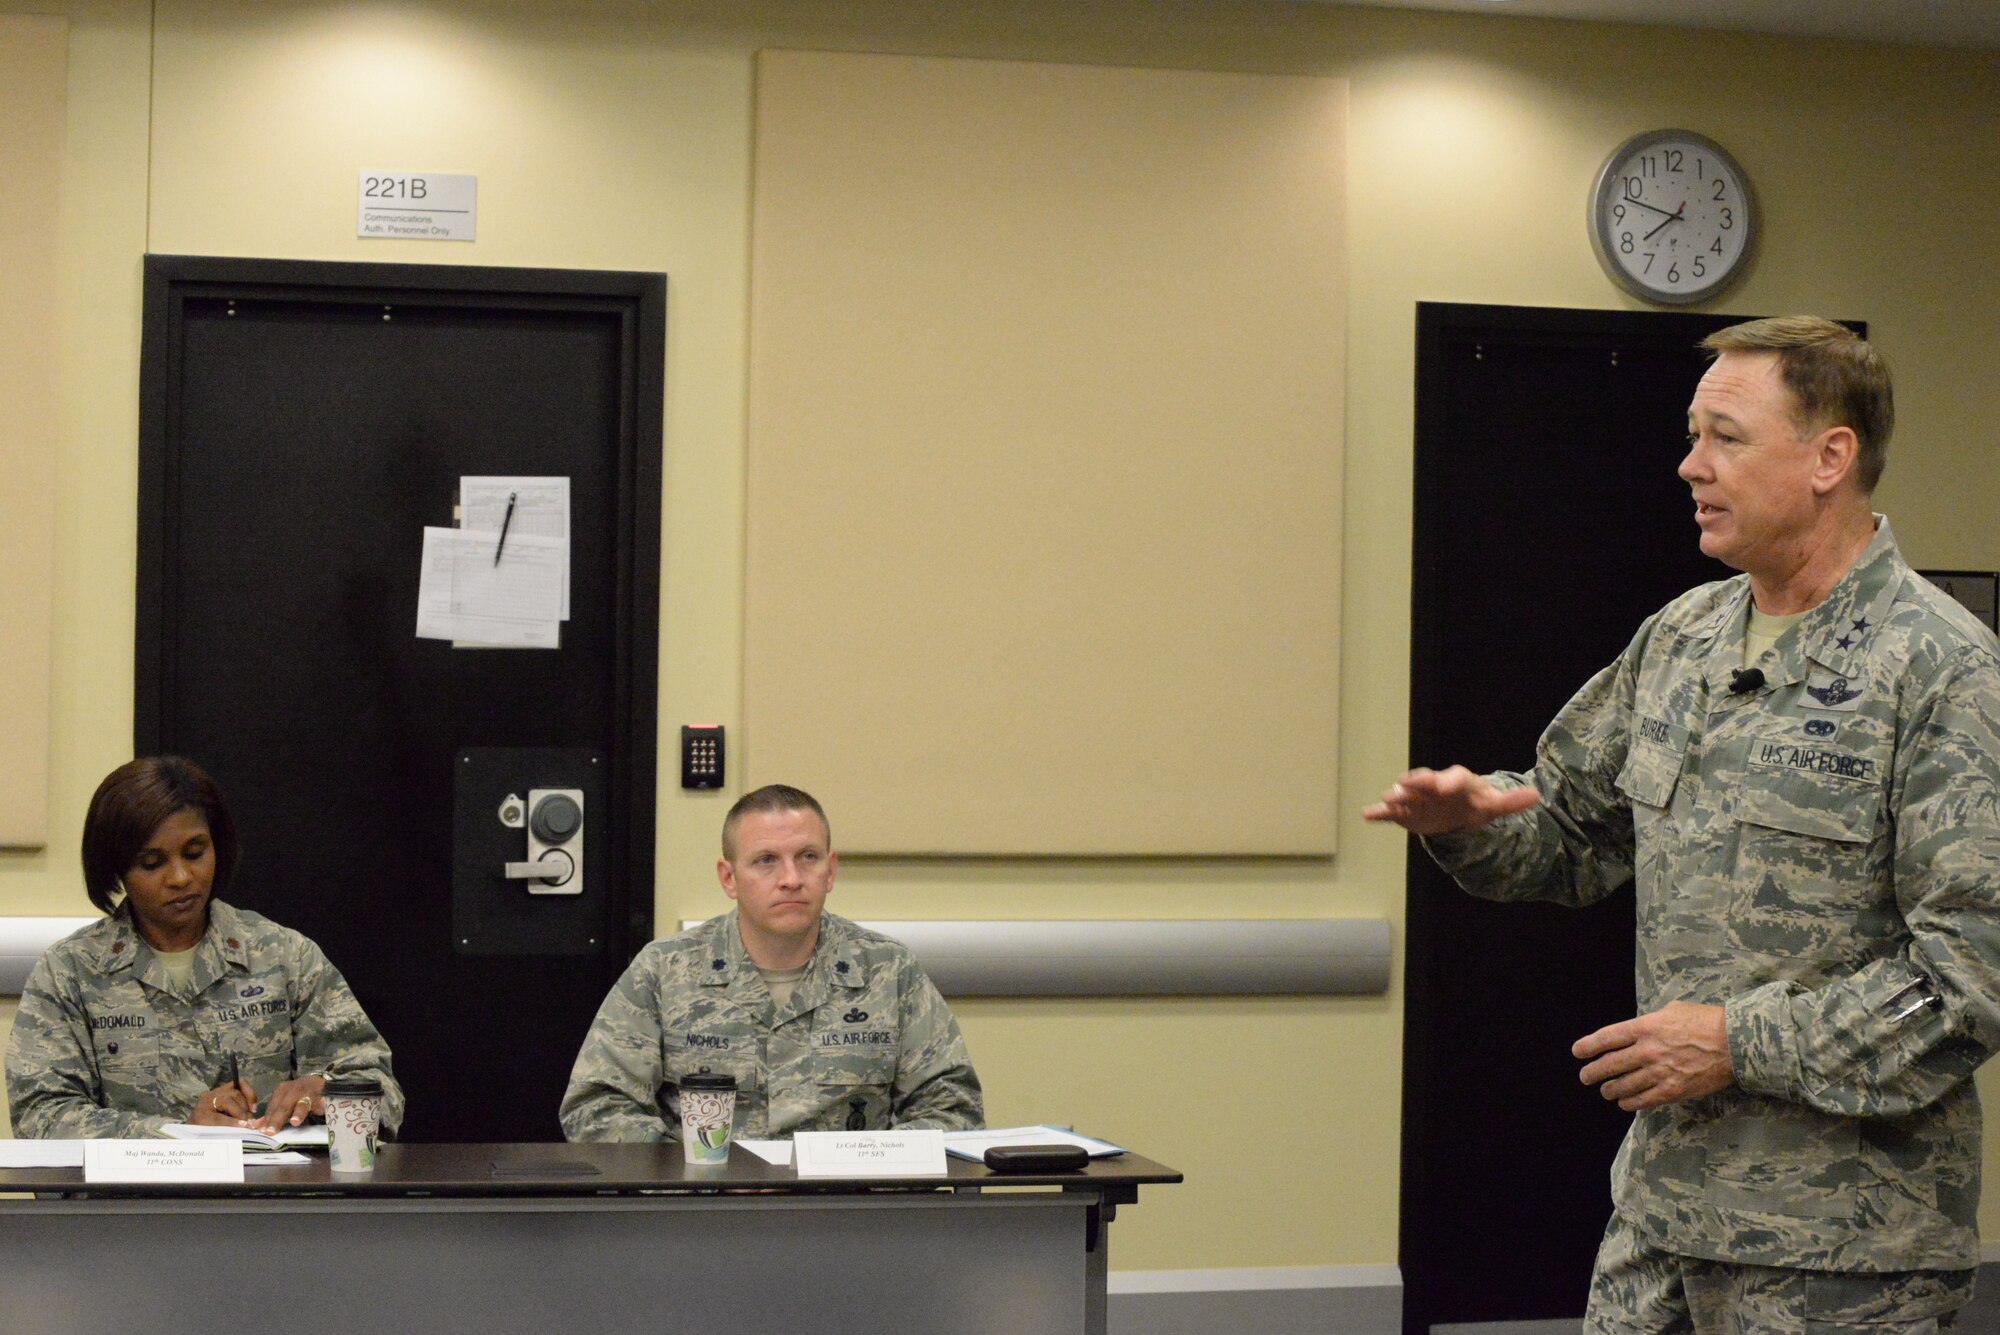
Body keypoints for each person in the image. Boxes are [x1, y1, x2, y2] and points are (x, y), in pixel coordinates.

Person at [1366, 317, 2000, 1332]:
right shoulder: (1680, 641)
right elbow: (1571, 838)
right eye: (1690, 435)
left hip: (1842, 1251)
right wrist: (1468, 824)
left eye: (1724, 437)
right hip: (1658, 1219)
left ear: (1829, 456)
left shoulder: (1942, 671)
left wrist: (1735, 1043)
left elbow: (1968, 980)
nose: (1688, 465)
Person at [5, 756, 404, 1138]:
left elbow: (381, 1089)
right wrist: (176, 1133)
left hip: (267, 1202)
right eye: (151, 863)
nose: (181, 877)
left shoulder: (282, 956)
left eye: (195, 852)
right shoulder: (71, 972)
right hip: (130, 1206)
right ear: (116, 869)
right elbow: (42, 1117)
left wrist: (326, 1091)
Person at [561, 783, 982, 1142]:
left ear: (830, 871)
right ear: (729, 878)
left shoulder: (888, 971)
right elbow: (596, 1107)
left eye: (808, 857)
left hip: (849, 1217)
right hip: (707, 1218)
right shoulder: (664, 971)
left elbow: (953, 1109)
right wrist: (700, 1167)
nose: (791, 878)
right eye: (766, 861)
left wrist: (859, 1164)